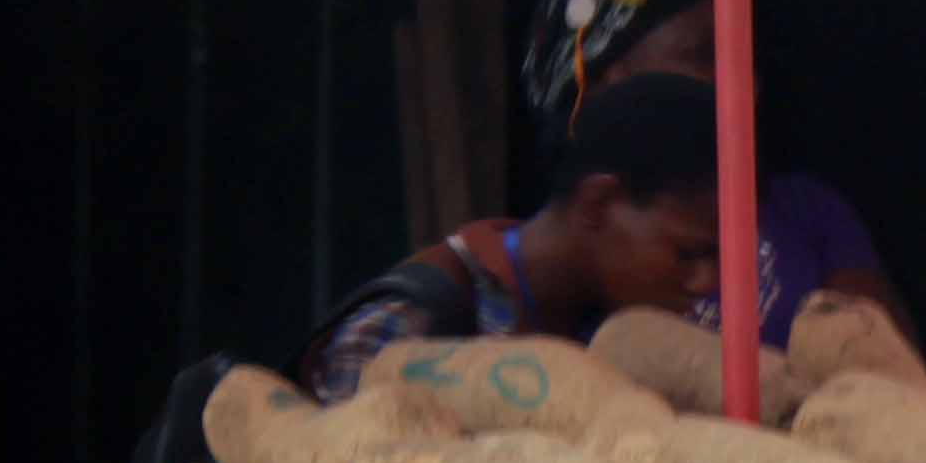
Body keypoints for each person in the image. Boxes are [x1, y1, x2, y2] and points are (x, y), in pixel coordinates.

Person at [518, 0, 910, 356]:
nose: (747, 80)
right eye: (705, 55)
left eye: (743, 54)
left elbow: (886, 373)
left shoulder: (804, 209)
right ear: (612, 86)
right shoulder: (558, 257)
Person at [299, 73, 724, 399]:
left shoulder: (612, 329)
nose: (708, 281)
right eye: (689, 253)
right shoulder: (407, 323)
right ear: (597, 203)